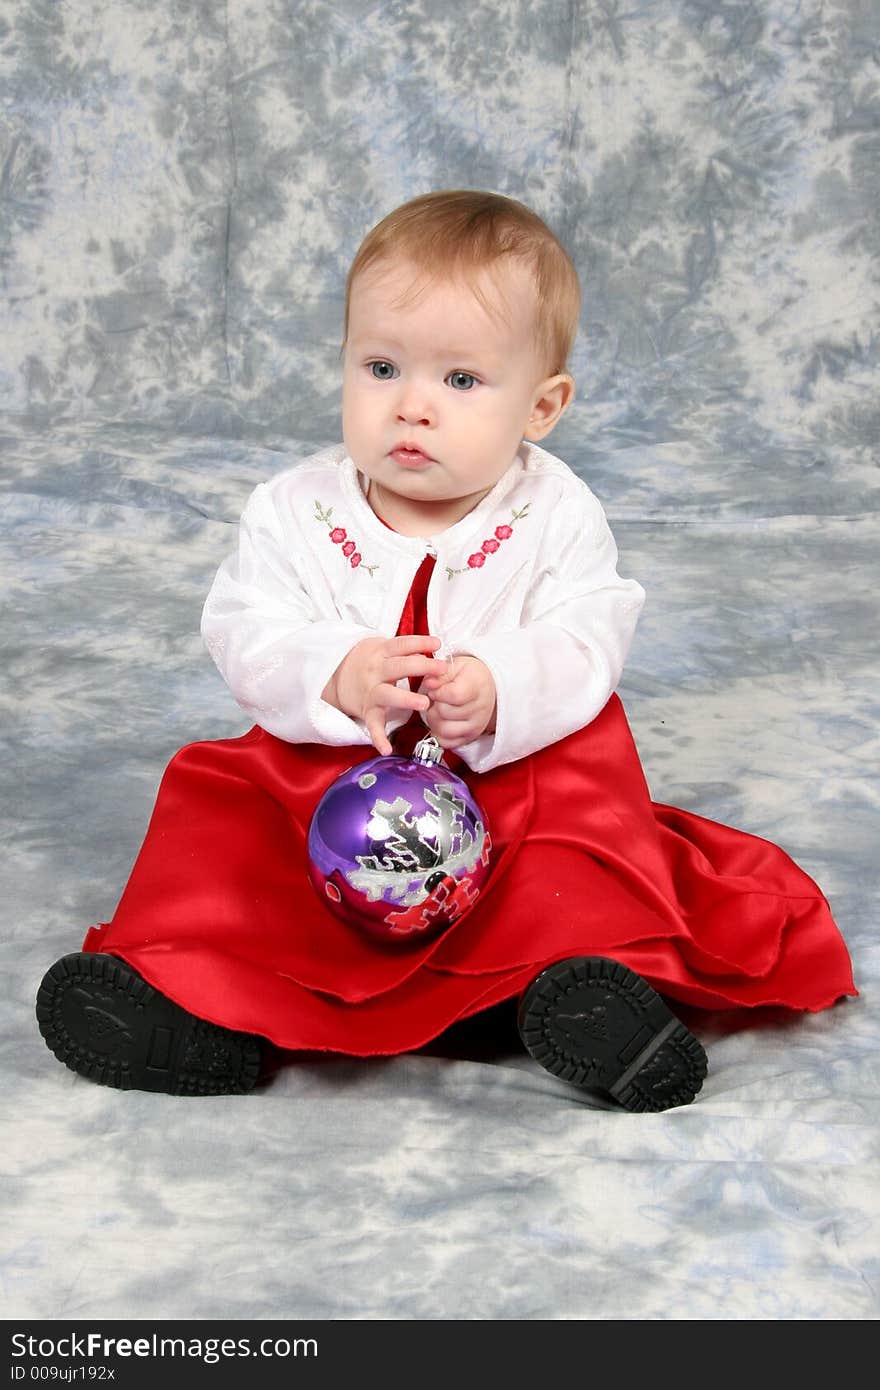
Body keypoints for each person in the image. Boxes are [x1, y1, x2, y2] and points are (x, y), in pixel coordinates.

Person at [36, 190, 857, 1109]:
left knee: (573, 850)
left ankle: (572, 996)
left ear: (540, 406)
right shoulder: (294, 508)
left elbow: (590, 627)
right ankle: (189, 1004)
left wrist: (505, 687)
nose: (412, 408)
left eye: (461, 381)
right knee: (218, 817)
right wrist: (334, 673)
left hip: (506, 781)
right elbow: (245, 623)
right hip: (331, 781)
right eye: (381, 367)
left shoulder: (554, 513)